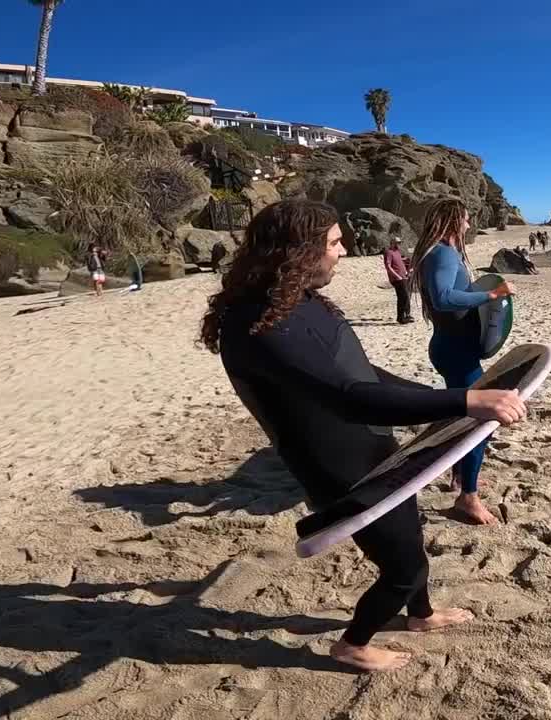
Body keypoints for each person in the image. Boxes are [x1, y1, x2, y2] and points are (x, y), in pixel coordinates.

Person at [199, 200, 527, 672]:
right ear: (298, 250)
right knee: (403, 567)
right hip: (337, 465)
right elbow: (349, 396)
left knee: (409, 534)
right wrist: (463, 402)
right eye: (333, 242)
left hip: (370, 444)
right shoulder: (261, 326)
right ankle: (352, 644)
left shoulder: (297, 301)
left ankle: (421, 615)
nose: (343, 251)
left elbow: (364, 374)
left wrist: (448, 399)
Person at [409, 197, 515, 525]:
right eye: (466, 220)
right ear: (454, 220)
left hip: (454, 347)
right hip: (455, 352)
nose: (469, 225)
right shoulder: (442, 252)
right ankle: (468, 497)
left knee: (463, 417)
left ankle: (459, 474)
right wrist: (492, 295)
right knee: (479, 424)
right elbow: (443, 298)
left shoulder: (441, 252)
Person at [383, 237, 414, 324]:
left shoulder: (397, 252)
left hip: (403, 277)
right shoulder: (388, 252)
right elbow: (388, 266)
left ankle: (406, 315)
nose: (399, 244)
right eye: (397, 243)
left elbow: (400, 262)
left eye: (400, 243)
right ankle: (400, 317)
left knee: (406, 296)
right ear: (392, 243)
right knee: (402, 297)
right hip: (397, 279)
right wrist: (397, 276)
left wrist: (407, 271)